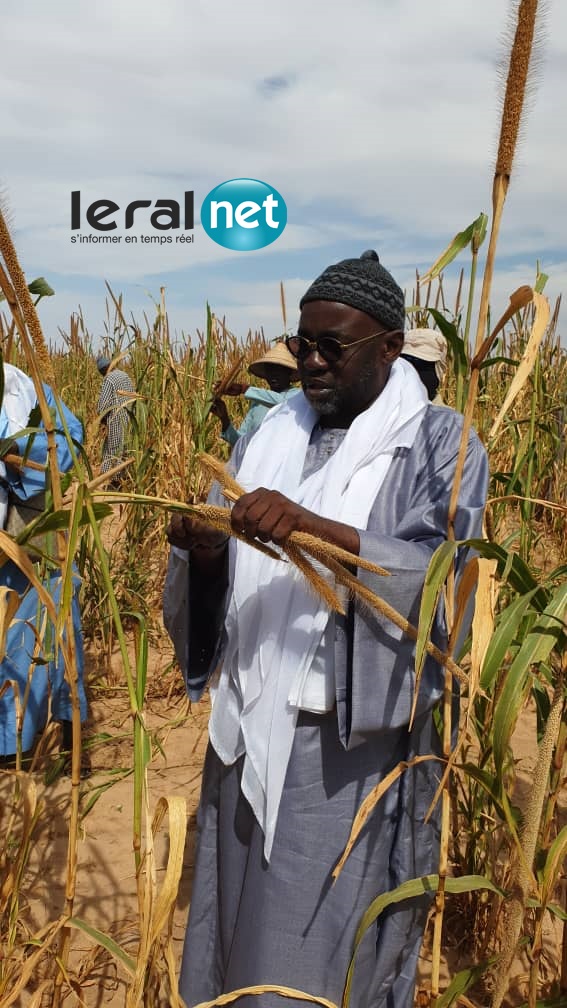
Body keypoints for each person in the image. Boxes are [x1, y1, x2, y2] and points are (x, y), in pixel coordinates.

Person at [165, 251, 489, 1008]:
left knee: (311, 959)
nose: (309, 361)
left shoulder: (441, 441)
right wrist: (206, 550)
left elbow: (442, 577)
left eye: (329, 347)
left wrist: (315, 529)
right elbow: (213, 562)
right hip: (245, 729)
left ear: (387, 346)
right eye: (301, 342)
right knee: (235, 940)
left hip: (344, 753)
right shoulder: (265, 433)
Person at [0, 363, 88, 771]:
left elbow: (68, 443)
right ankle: (8, 742)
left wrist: (12, 449)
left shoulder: (28, 392)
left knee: (53, 630)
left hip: (34, 536)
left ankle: (71, 738)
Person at [210, 340, 299, 447]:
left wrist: (243, 389)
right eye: (270, 370)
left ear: (289, 373)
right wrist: (224, 418)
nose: (273, 375)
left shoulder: (298, 397)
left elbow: (282, 403)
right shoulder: (257, 403)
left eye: (279, 370)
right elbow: (241, 442)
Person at [96, 356, 135, 476]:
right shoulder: (124, 375)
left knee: (114, 448)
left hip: (116, 418)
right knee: (126, 447)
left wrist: (101, 419)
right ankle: (126, 476)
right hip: (130, 416)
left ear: (103, 370)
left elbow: (104, 405)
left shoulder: (109, 379)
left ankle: (115, 478)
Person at [401, 327, 448, 403]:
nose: (413, 372)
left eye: (422, 365)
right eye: (407, 363)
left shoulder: (447, 415)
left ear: (439, 371)